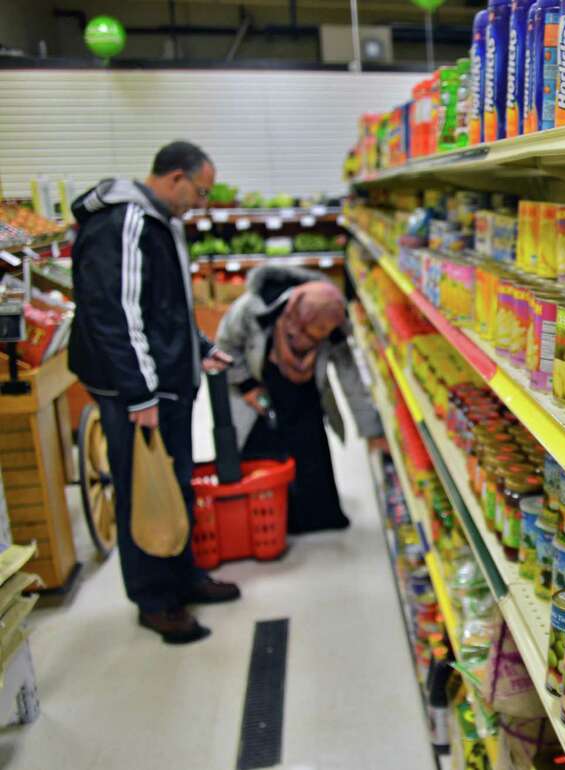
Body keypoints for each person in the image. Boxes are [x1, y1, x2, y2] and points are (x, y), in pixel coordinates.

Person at [68, 140, 241, 644]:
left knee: (176, 482)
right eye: (200, 191)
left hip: (166, 382)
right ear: (174, 178)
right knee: (142, 490)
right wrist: (139, 393)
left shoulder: (163, 221)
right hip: (137, 391)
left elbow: (166, 304)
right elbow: (115, 314)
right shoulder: (125, 222)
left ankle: (183, 578)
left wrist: (198, 347)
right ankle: (154, 600)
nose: (201, 202)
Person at [217, 264, 383, 533]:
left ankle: (315, 518)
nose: (314, 339)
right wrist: (246, 385)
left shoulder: (333, 321)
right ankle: (269, 520)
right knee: (266, 459)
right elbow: (224, 345)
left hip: (305, 397)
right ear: (296, 315)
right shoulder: (254, 309)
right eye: (310, 331)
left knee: (310, 457)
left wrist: (372, 430)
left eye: (322, 334)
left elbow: (350, 377)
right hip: (261, 393)